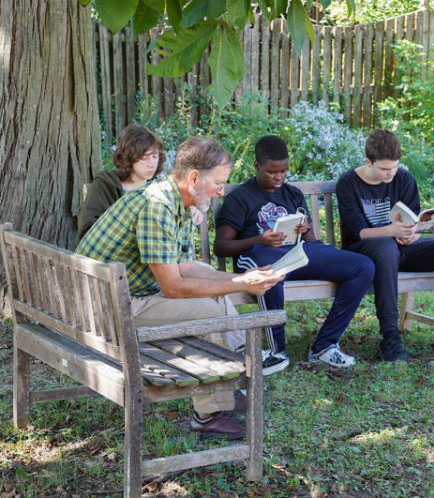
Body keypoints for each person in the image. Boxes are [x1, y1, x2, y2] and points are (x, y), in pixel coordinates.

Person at [77, 136, 283, 440]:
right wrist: (240, 282)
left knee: (215, 288)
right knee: (209, 311)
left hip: (127, 294)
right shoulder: (156, 206)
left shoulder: (179, 201)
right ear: (194, 177)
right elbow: (173, 287)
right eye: (219, 183)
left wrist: (244, 277)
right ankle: (209, 414)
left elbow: (186, 267)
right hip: (104, 309)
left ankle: (228, 382)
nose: (222, 192)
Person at [214, 136, 375, 374]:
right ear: (257, 167)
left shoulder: (292, 194)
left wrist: (305, 229)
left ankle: (325, 345)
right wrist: (259, 239)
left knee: (363, 266)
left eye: (284, 171)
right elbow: (221, 246)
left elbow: (309, 242)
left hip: (296, 255)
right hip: (258, 256)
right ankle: (277, 351)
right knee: (270, 271)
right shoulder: (240, 198)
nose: (279, 177)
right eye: (272, 172)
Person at [336, 129, 434, 361]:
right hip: (365, 254)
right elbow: (357, 233)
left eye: (394, 166)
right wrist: (391, 232)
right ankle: (390, 337)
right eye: (384, 168)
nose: (390, 173)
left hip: (400, 249)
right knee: (386, 247)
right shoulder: (348, 183)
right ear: (368, 162)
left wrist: (411, 234)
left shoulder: (404, 178)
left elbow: (412, 222)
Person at [78, 124, 202, 242]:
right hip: (113, 259)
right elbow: (87, 232)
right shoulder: (104, 185)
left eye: (154, 156)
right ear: (128, 158)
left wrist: (187, 210)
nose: (151, 163)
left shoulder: (157, 187)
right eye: (144, 158)